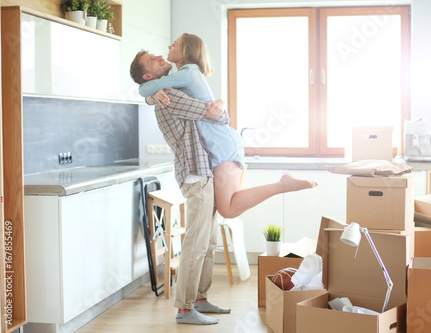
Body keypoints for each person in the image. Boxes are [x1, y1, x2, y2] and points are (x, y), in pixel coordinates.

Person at [136, 33, 317, 219]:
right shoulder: (184, 76)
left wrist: (151, 92)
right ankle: (282, 185)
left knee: (228, 209)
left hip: (221, 145)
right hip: (218, 146)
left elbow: (144, 88)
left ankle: (282, 185)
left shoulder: (187, 73)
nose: (168, 47)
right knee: (227, 208)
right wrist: (152, 95)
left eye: (174, 44)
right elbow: (150, 89)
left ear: (185, 52)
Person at [131, 57, 229, 325]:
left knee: (207, 243)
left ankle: (200, 298)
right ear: (149, 77)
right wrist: (219, 105)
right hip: (196, 174)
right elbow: (218, 115)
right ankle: (185, 309)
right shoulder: (169, 95)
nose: (161, 57)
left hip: (204, 172)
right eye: (153, 59)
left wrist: (218, 106)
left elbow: (216, 114)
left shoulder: (163, 93)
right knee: (196, 244)